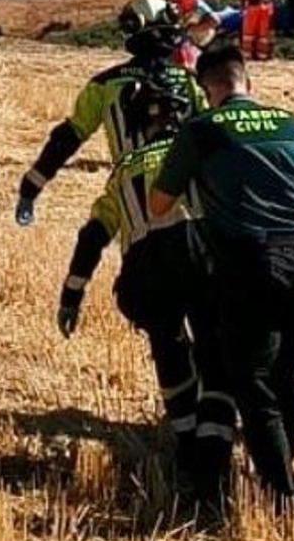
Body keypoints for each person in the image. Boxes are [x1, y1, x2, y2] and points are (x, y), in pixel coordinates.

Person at [147, 44, 294, 519]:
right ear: (248, 81)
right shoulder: (293, 124)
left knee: (252, 383)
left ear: (208, 89)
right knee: (287, 375)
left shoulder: (201, 129)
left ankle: (282, 501)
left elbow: (159, 205)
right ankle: (284, 468)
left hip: (251, 261)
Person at [55, 80, 205, 485]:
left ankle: (185, 438)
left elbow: (92, 237)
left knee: (168, 349)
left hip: (146, 272)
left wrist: (72, 294)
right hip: (200, 259)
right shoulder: (201, 153)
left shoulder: (123, 170)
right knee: (214, 348)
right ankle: (215, 438)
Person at [14, 0, 207, 226]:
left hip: (134, 205)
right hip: (189, 200)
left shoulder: (105, 85)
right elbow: (215, 134)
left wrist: (30, 190)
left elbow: (66, 139)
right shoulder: (191, 82)